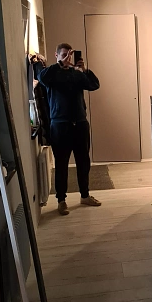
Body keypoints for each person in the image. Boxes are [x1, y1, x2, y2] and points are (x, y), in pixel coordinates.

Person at [34, 43, 101, 215]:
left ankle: (85, 196)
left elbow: (94, 85)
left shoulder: (76, 74)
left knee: (83, 162)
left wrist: (84, 70)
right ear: (56, 55)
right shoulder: (51, 74)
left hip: (80, 123)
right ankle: (61, 200)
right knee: (61, 164)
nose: (66, 58)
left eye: (68, 55)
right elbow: (41, 77)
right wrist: (59, 65)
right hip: (60, 125)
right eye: (63, 55)